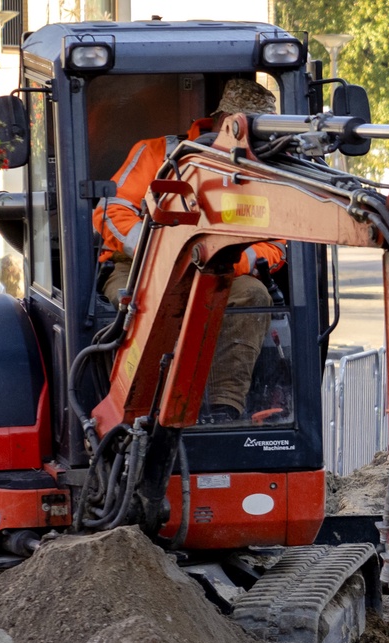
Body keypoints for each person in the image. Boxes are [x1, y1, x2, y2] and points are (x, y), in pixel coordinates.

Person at [92, 76, 284, 423]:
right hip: (138, 267)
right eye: (244, 129)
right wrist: (154, 250)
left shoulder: (263, 173)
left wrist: (233, 261)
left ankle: (224, 409)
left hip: (219, 271)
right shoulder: (159, 153)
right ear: (224, 121)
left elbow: (276, 243)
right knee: (139, 299)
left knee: (253, 295)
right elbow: (110, 210)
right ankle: (137, 411)